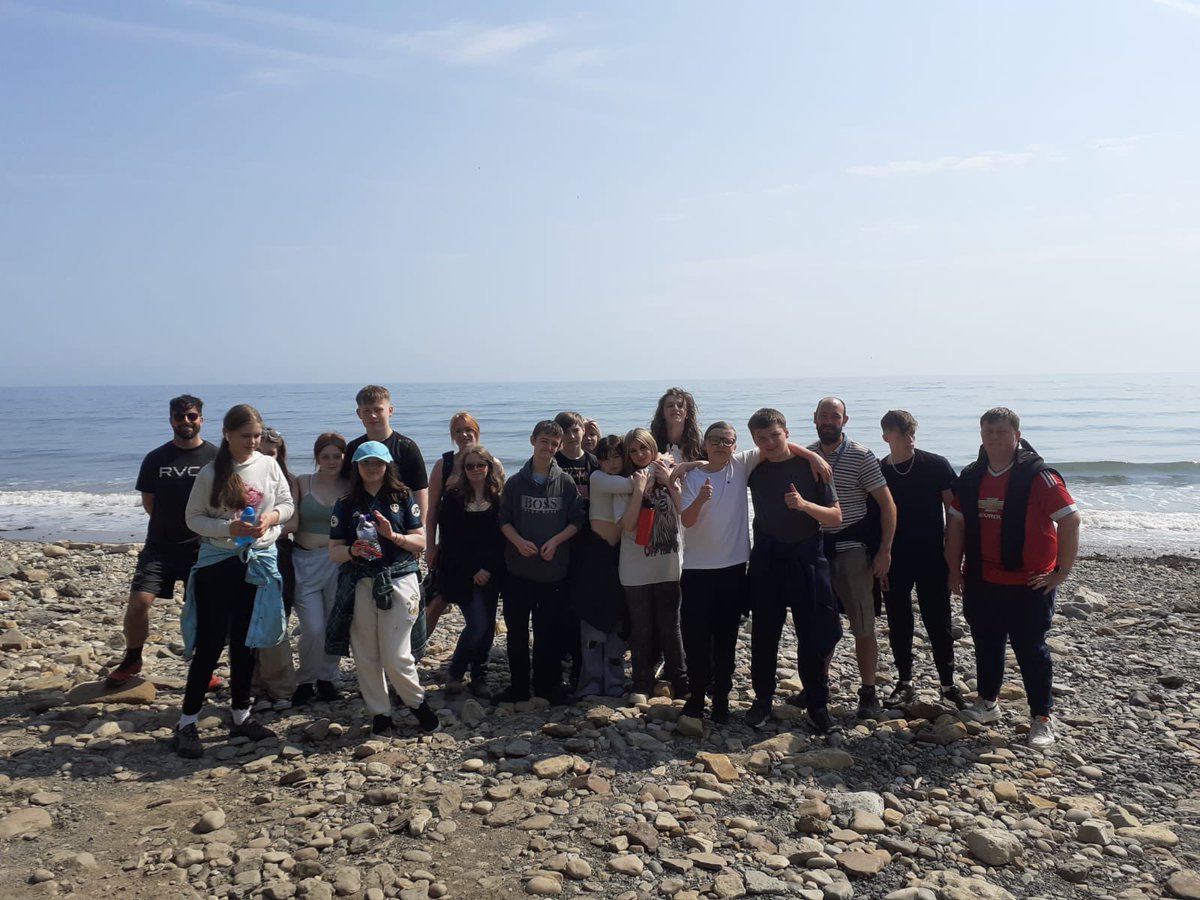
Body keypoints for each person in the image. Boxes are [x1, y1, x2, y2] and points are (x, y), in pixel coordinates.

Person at [675, 422, 832, 722]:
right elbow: (688, 521)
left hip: (734, 568)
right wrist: (698, 492)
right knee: (696, 639)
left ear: (735, 445)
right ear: (705, 443)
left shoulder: (741, 463)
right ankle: (697, 697)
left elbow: (776, 444)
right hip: (696, 570)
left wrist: (812, 456)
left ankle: (721, 699)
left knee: (726, 640)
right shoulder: (692, 476)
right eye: (715, 440)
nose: (721, 445)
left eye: (727, 441)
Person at [946, 407, 1080, 749]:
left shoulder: (1038, 476)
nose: (994, 437)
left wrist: (1060, 573)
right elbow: (957, 525)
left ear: (1016, 436)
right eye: (988, 431)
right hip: (982, 580)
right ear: (981, 435)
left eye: (1001, 431)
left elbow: (1070, 520)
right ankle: (988, 702)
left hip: (1029, 583)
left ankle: (1042, 719)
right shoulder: (973, 475)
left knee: (1031, 651)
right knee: (986, 645)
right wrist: (953, 570)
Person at [171, 404, 294, 759]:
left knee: (246, 641)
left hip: (257, 562)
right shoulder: (211, 472)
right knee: (211, 643)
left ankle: (241, 714)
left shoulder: (268, 465)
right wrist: (229, 528)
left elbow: (287, 505)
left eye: (257, 436)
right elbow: (193, 518)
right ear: (227, 434)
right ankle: (187, 721)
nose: (253, 443)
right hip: (219, 562)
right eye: (246, 437)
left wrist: (269, 518)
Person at [327, 441, 440, 736]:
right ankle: (380, 713)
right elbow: (334, 551)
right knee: (366, 653)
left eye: (378, 463)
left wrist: (394, 536)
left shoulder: (403, 497)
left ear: (388, 465)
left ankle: (418, 704)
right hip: (360, 580)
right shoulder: (347, 502)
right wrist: (353, 550)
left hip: (400, 579)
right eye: (366, 463)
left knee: (395, 654)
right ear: (357, 467)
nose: (372, 468)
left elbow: (421, 541)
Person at [106, 395, 218, 689]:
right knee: (139, 603)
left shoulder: (216, 458)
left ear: (201, 420)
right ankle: (132, 659)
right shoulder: (156, 458)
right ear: (171, 420)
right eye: (180, 417)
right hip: (159, 547)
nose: (186, 422)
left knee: (205, 610)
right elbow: (150, 503)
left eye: (192, 416)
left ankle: (203, 669)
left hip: (202, 547)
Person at [745, 409, 843, 733]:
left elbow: (835, 517)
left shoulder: (813, 467)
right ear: (755, 441)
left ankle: (817, 704)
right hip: (768, 558)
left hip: (806, 557)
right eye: (762, 438)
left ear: (786, 431)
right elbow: (715, 464)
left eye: (775, 435)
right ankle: (762, 700)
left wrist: (804, 506)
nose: (770, 442)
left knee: (813, 634)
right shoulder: (755, 468)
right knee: (764, 635)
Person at [809, 396, 897, 720]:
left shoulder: (861, 456)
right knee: (819, 625)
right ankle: (817, 686)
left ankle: (868, 692)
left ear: (845, 421)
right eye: (823, 415)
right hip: (816, 550)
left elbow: (887, 505)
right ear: (814, 418)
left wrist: (885, 550)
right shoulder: (807, 456)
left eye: (835, 416)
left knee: (863, 625)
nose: (829, 421)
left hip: (853, 551)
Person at [878, 410, 965, 709]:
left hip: (932, 556)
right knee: (898, 621)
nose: (909, 439)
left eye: (912, 432)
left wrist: (954, 558)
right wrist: (879, 557)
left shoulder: (936, 464)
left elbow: (953, 513)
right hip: (895, 558)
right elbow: (876, 518)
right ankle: (905, 682)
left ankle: (948, 685)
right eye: (902, 434)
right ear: (887, 437)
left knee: (938, 620)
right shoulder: (880, 471)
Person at [496, 420, 586, 705]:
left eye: (553, 444)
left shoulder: (565, 482)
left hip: (553, 573)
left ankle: (547, 685)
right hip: (518, 573)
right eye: (544, 441)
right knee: (517, 634)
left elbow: (576, 521)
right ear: (532, 440)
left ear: (559, 447)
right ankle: (519, 686)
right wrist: (518, 541)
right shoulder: (515, 482)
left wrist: (557, 541)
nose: (548, 447)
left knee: (548, 634)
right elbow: (504, 521)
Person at [617, 427, 688, 704]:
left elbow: (687, 512)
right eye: (632, 451)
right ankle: (642, 683)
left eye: (643, 449)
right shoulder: (626, 481)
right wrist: (639, 490)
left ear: (652, 447)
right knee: (641, 628)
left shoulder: (669, 471)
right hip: (635, 568)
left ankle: (681, 683)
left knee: (671, 626)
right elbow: (629, 524)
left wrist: (669, 481)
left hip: (669, 564)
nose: (638, 455)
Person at [438, 444, 506, 699]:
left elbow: (503, 538)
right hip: (462, 571)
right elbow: (450, 541)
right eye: (470, 465)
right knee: (476, 624)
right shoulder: (454, 499)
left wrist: (487, 568)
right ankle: (455, 673)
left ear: (489, 467)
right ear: (463, 469)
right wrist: (474, 570)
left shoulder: (499, 497)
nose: (476, 469)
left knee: (488, 626)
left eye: (480, 465)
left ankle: (480, 676)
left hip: (492, 570)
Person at [289, 431, 349, 706]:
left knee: (332, 624)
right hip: (305, 560)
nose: (332, 461)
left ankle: (327, 678)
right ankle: (305, 680)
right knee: (312, 627)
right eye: (325, 456)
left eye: (337, 455)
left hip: (338, 561)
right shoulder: (303, 482)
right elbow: (290, 520)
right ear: (316, 458)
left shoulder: (351, 486)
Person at [576, 436, 633, 697]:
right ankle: (590, 684)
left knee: (617, 621)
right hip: (596, 553)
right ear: (599, 460)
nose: (612, 462)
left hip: (619, 554)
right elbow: (630, 484)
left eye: (617, 457)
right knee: (592, 621)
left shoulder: (625, 482)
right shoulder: (599, 478)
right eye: (606, 457)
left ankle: (614, 683)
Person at [425, 412, 485, 636]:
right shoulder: (444, 464)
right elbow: (432, 512)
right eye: (458, 430)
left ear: (477, 432)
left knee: (479, 611)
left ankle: (475, 662)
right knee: (436, 603)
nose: (464, 434)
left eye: (469, 429)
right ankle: (411, 656)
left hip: (481, 549)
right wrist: (430, 546)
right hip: (450, 548)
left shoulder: (489, 462)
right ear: (452, 435)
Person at [252, 426, 299, 705]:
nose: (267, 457)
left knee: (276, 619)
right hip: (246, 553)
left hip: (278, 552)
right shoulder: (239, 476)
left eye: (272, 453)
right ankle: (253, 685)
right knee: (248, 620)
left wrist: (265, 528)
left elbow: (293, 522)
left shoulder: (287, 479)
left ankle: (281, 686)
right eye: (262, 451)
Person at [342, 385, 430, 525]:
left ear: (390, 411)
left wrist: (420, 528)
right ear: (359, 414)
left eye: (378, 409)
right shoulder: (354, 448)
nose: (373, 415)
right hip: (363, 523)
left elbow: (420, 490)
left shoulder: (406, 446)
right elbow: (347, 486)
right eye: (367, 411)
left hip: (400, 523)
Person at [651, 387, 704, 463]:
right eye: (670, 405)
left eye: (680, 406)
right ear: (662, 413)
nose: (675, 408)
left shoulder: (698, 447)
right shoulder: (651, 443)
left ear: (687, 414)